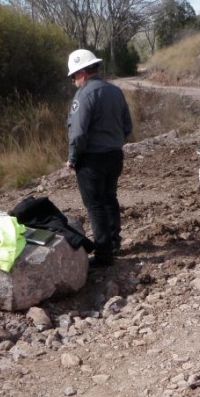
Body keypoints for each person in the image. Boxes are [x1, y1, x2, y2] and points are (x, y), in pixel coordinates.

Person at [64, 49, 133, 267]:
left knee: (95, 206)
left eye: (74, 76)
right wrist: (113, 141)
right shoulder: (115, 91)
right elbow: (127, 126)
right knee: (109, 198)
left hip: (92, 159)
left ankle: (104, 255)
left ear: (83, 72)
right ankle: (113, 243)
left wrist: (72, 158)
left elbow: (78, 133)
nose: (73, 80)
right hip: (114, 155)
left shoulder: (83, 95)